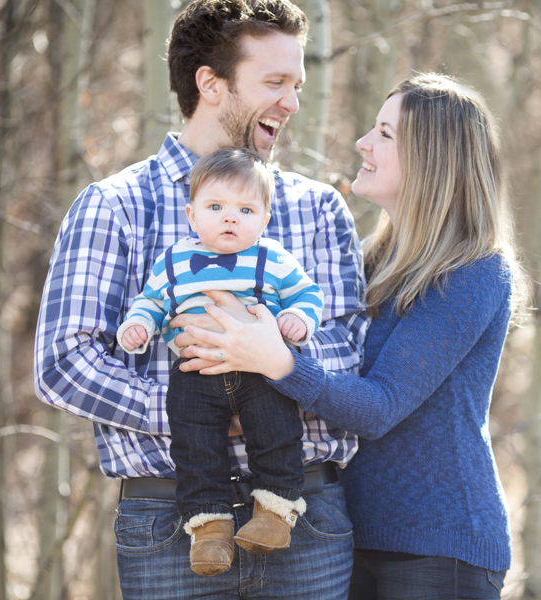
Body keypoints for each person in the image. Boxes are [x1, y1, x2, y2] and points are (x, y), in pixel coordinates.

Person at [33, 1, 367, 598]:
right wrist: (197, 418)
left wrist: (277, 371)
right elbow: (64, 362)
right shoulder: (115, 206)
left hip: (307, 518)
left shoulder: (318, 209)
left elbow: (350, 354)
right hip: (167, 524)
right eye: (274, 83)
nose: (291, 102)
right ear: (210, 83)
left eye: (297, 85)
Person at [178, 73, 527, 599]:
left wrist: (278, 361)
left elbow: (379, 405)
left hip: (439, 546)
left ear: (432, 158)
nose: (363, 142)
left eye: (385, 134)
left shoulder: (474, 272)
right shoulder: (374, 259)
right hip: (354, 532)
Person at [117, 147, 325, 577]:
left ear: (264, 220)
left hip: (259, 370)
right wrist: (137, 326)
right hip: (195, 371)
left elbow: (308, 295)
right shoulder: (174, 262)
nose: (230, 218)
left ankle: (274, 509)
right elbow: (151, 302)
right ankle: (209, 525)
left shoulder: (272, 258)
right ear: (192, 215)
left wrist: (297, 320)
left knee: (276, 430)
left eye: (246, 209)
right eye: (216, 207)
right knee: (194, 443)